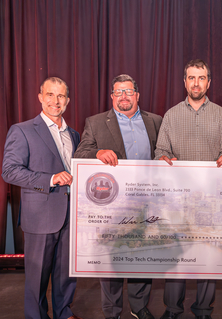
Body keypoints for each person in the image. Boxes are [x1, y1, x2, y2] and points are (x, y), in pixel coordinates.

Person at [74, 74, 162, 319]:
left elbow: (163, 153)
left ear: (137, 95)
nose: (124, 96)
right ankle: (112, 311)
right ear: (112, 96)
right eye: (118, 92)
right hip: (111, 204)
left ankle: (139, 306)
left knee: (142, 255)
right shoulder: (96, 122)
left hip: (146, 201)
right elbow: (81, 152)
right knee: (112, 257)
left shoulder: (155, 120)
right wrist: (98, 152)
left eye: (129, 91)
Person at [155, 59, 222, 319]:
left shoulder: (221, 114)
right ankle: (172, 309)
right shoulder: (171, 115)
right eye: (191, 77)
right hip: (178, 201)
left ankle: (203, 309)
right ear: (185, 82)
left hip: (210, 200)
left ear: (208, 82)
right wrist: (164, 160)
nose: (196, 83)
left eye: (201, 78)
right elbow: (160, 153)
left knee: (207, 256)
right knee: (176, 256)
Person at [2, 77, 82, 319]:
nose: (55, 101)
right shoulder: (22, 130)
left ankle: (64, 313)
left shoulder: (75, 135)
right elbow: (10, 171)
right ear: (40, 97)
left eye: (60, 96)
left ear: (67, 100)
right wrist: (50, 179)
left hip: (71, 215)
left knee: (66, 274)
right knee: (37, 278)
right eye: (50, 95)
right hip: (40, 216)